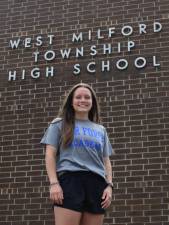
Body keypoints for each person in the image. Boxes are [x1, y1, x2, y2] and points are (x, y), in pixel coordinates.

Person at [40, 83, 114, 225]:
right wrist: (54, 183)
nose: (83, 100)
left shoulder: (101, 130)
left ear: (92, 102)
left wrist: (109, 186)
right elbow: (50, 155)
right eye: (78, 97)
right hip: (70, 182)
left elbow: (106, 161)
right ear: (71, 101)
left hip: (97, 184)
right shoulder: (59, 124)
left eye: (87, 97)